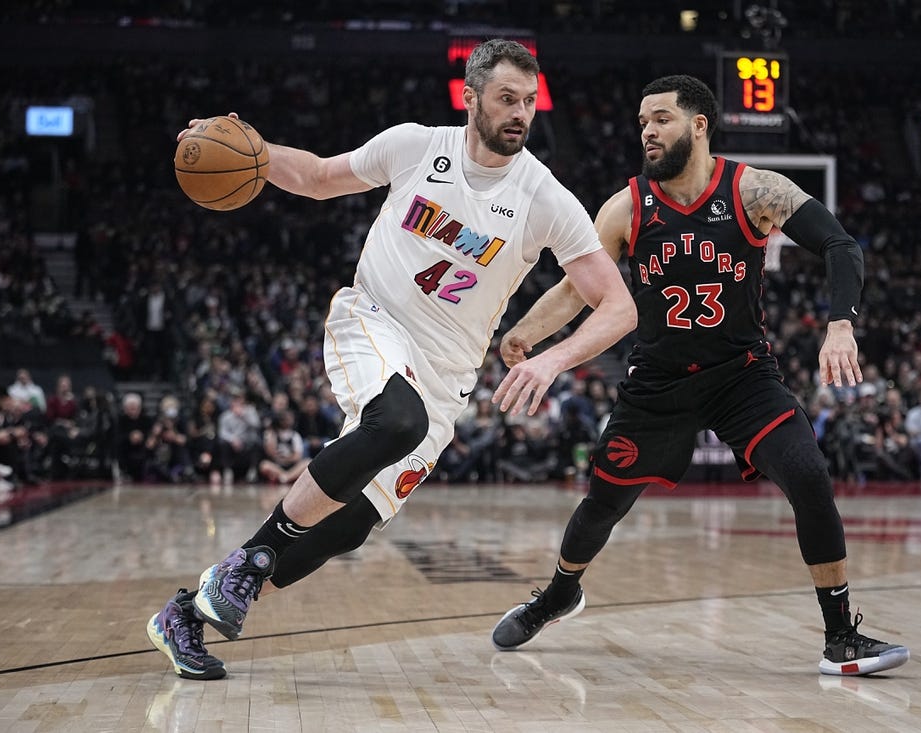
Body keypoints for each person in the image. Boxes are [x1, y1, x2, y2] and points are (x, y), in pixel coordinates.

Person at [146, 39, 636, 681]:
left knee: (347, 526)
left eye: (528, 102)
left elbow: (619, 308)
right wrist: (254, 153)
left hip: (447, 377)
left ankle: (188, 611)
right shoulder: (416, 146)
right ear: (470, 97)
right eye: (506, 99)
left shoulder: (544, 197)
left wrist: (551, 361)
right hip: (373, 321)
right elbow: (320, 178)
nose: (520, 113)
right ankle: (238, 572)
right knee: (394, 421)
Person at [489, 74, 909, 677]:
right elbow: (577, 288)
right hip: (657, 383)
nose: (648, 132)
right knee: (602, 506)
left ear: (699, 125)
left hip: (741, 376)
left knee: (810, 475)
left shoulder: (755, 189)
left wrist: (840, 323)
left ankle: (840, 637)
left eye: (660, 119)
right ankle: (559, 594)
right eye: (642, 123)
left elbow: (842, 246)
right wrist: (526, 332)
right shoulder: (629, 205)